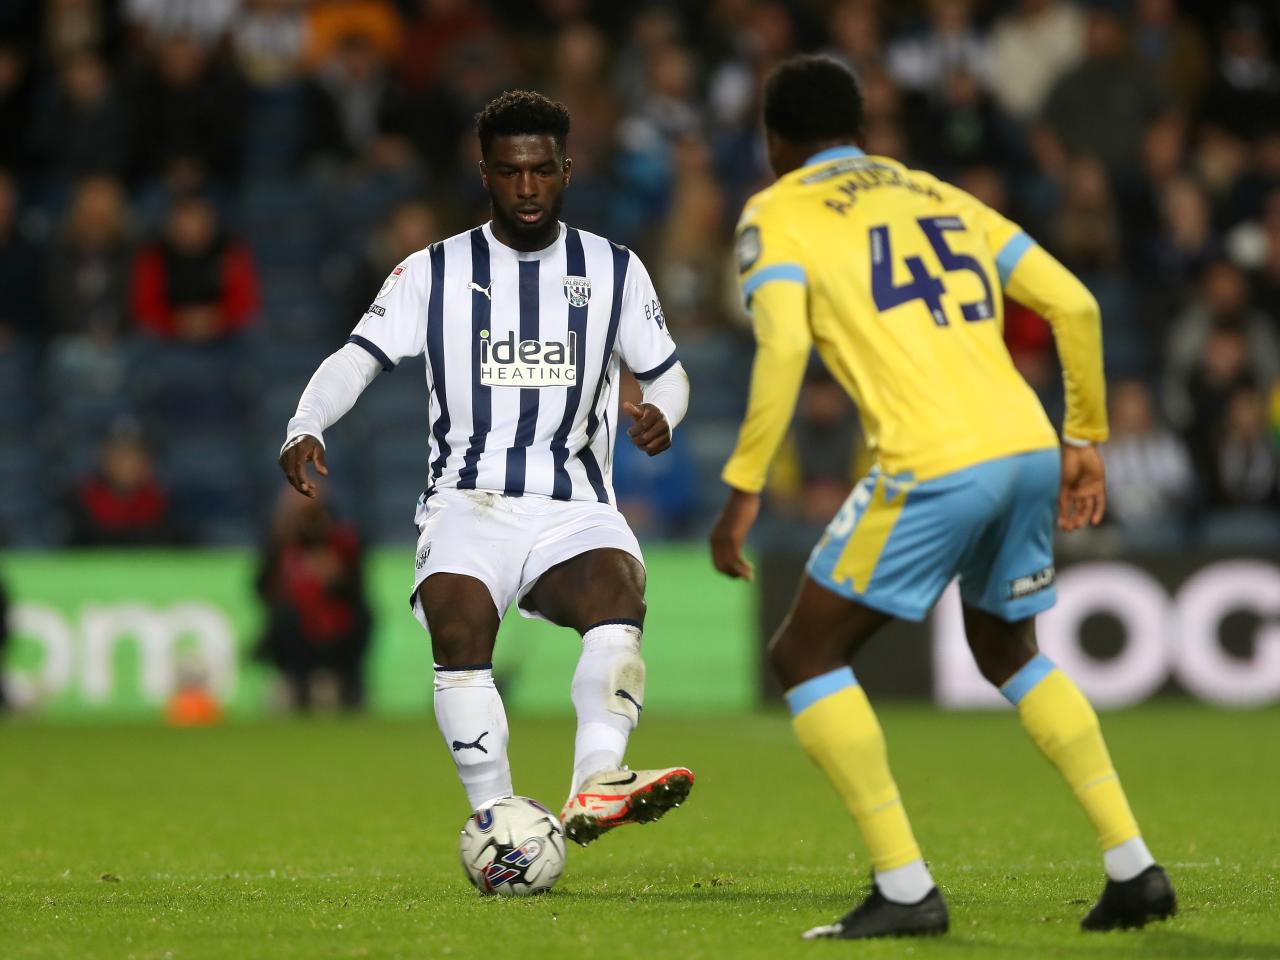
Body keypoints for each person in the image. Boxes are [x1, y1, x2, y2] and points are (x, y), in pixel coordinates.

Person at [709, 56, 1174, 940]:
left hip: (933, 459)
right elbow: (1076, 306)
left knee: (804, 655)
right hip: (1030, 443)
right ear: (856, 129)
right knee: (1008, 649)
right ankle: (1133, 867)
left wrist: (743, 486)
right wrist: (1085, 439)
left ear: (774, 140)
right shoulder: (935, 193)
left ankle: (906, 886)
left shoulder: (778, 213)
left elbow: (778, 356)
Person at [278, 91, 693, 844]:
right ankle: (501, 821)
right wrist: (306, 424)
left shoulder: (613, 269)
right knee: (458, 623)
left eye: (541, 170)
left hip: (575, 505)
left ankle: (597, 782)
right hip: (468, 504)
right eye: (509, 172)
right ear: (485, 175)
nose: (527, 188)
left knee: (619, 591)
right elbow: (354, 361)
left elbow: (667, 371)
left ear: (566, 170)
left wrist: (665, 410)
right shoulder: (431, 272)